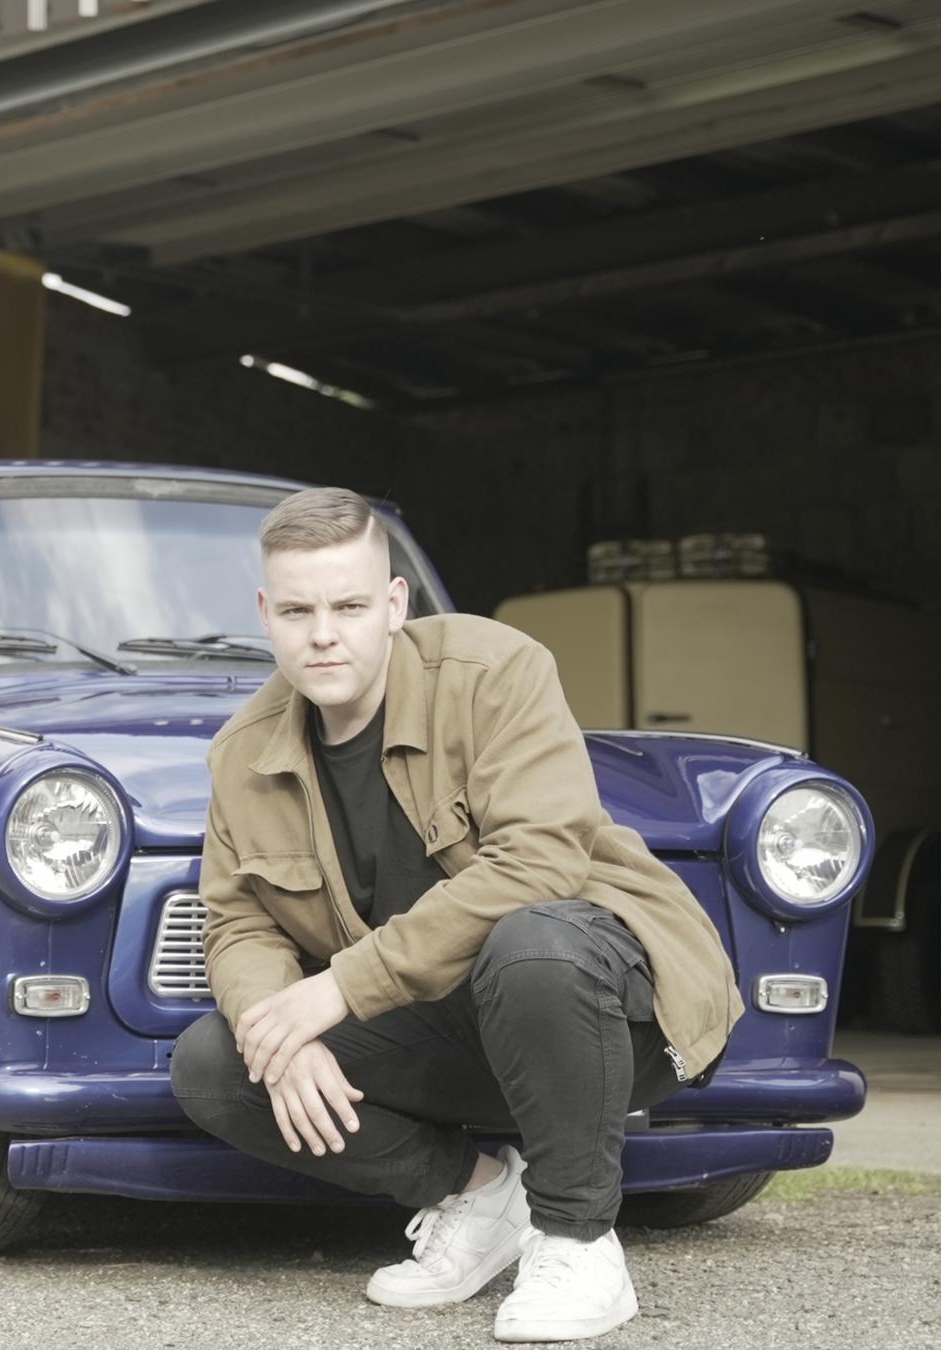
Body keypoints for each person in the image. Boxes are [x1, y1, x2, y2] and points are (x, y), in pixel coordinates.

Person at [168, 487, 740, 1343]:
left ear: (394, 603)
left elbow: (542, 861)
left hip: (609, 1018)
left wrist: (337, 991)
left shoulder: (494, 672)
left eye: (348, 606)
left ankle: (579, 1244)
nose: (323, 634)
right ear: (265, 614)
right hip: (448, 1030)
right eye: (297, 610)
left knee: (532, 943)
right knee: (216, 1063)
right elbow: (240, 926)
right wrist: (276, 1026)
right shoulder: (243, 755)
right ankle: (479, 1198)